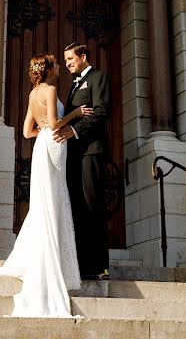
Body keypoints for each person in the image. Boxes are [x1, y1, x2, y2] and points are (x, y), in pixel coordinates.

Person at [0, 54, 92, 317]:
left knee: (45, 202)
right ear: (48, 70)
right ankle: (53, 261)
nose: (59, 66)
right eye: (56, 63)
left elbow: (26, 131)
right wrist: (76, 113)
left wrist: (43, 131)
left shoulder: (33, 93)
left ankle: (46, 253)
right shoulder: (51, 89)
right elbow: (56, 123)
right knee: (55, 199)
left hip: (41, 145)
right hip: (54, 144)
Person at [53, 42, 111, 281]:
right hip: (76, 154)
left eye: (70, 59)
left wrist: (73, 132)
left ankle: (99, 266)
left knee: (92, 205)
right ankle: (81, 263)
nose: (67, 64)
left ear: (83, 56)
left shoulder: (98, 77)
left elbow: (101, 111)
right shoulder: (73, 85)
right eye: (65, 61)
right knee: (78, 207)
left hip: (92, 151)